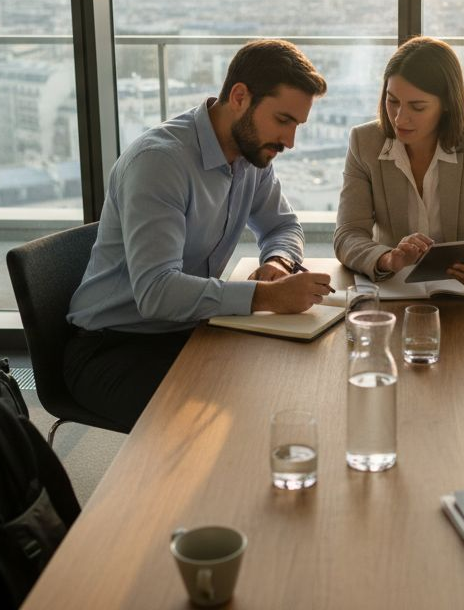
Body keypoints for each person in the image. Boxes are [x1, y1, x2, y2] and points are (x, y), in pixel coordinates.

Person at [65, 39, 332, 430]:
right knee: (236, 421)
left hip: (190, 329)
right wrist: (267, 296)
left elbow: (283, 225)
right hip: (115, 346)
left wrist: (277, 262)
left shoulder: (251, 154)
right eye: (283, 120)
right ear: (240, 97)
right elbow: (157, 293)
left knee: (287, 383)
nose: (290, 141)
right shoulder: (160, 162)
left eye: (296, 125)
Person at [334, 36, 464, 292]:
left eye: (417, 106)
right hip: (397, 293)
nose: (400, 118)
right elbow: (347, 235)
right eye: (392, 101)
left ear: (447, 103)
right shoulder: (364, 142)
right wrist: (389, 259)